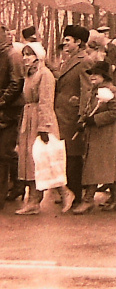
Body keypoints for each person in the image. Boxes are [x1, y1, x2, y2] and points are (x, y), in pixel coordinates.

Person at [73, 60, 116, 214]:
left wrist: (95, 120)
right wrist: (83, 121)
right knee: (106, 167)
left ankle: (88, 200)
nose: (92, 76)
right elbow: (88, 109)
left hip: (108, 135)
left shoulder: (111, 90)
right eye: (91, 74)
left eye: (96, 74)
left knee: (95, 167)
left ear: (104, 76)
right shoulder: (95, 90)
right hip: (98, 134)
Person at [15, 42, 66, 215]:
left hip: (40, 119)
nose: (25, 58)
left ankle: (36, 200)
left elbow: (45, 102)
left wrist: (44, 127)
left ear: (38, 57)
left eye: (29, 54)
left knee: (40, 160)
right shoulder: (29, 75)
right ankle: (41, 198)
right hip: (29, 119)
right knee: (31, 160)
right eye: (24, 54)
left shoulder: (45, 75)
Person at [54, 24, 93, 211]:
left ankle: (77, 196)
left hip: (72, 116)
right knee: (66, 155)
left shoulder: (84, 61)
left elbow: (87, 89)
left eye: (68, 40)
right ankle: (69, 191)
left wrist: (82, 115)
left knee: (74, 156)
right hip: (63, 115)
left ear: (78, 42)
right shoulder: (68, 60)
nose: (65, 43)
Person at [0, 24, 25, 208]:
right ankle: (16, 184)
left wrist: (1, 102)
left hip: (9, 111)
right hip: (4, 109)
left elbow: (16, 84)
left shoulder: (13, 55)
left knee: (5, 153)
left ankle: (17, 185)